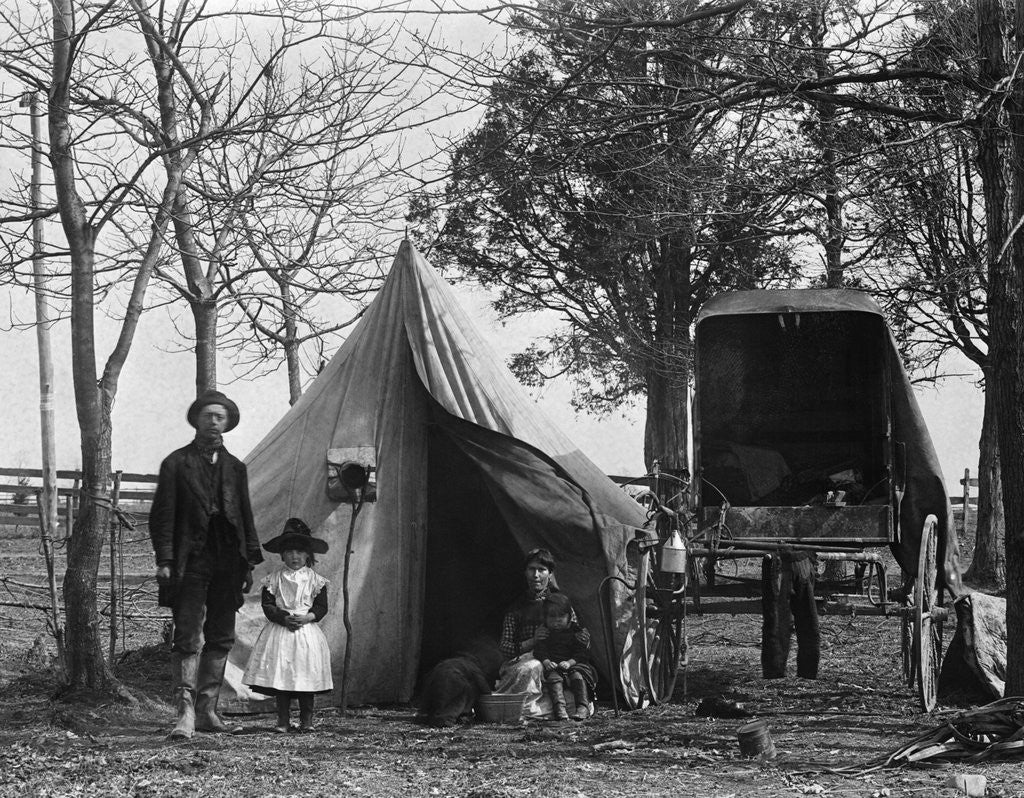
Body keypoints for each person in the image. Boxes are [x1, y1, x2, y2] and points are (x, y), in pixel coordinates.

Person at [149, 390, 264, 739]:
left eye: (220, 417)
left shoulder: (235, 468)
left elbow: (244, 517)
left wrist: (248, 563)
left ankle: (206, 710)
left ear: (227, 423)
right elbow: (163, 516)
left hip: (228, 561)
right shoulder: (175, 463)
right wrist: (166, 560)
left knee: (221, 636)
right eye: (208, 415)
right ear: (196, 420)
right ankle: (183, 713)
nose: (213, 421)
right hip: (190, 560)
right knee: (187, 636)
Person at [243, 518, 333, 733]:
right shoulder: (273, 580)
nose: (295, 556)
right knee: (281, 675)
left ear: (308, 556)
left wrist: (307, 617)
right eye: (290, 552)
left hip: (306, 633)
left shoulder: (315, 580)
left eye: (300, 552)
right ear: (282, 555)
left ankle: (306, 721)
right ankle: (282, 720)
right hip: (281, 633)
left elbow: (321, 607)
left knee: (306, 675)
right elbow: (268, 605)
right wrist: (284, 618)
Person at [493, 548, 591, 719]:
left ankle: (552, 709)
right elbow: (505, 648)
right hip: (526, 663)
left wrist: (583, 639)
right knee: (533, 667)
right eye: (531, 569)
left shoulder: (561, 604)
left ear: (550, 573)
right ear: (525, 572)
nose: (536, 575)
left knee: (571, 693)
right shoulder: (516, 608)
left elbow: (576, 637)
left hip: (559, 663)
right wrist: (532, 641)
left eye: (542, 570)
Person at [533, 593, 597, 721]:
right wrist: (546, 662)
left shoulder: (575, 631)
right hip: (555, 666)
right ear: (545, 618)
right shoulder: (544, 632)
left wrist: (570, 662)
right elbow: (540, 650)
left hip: (574, 664)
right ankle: (560, 710)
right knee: (553, 679)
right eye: (552, 617)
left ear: (569, 617)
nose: (557, 621)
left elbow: (582, 653)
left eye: (561, 616)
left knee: (577, 676)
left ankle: (582, 707)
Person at [761, 549, 820, 679]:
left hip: (785, 562)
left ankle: (777, 676)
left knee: (779, 624)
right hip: (794, 561)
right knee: (805, 623)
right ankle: (805, 675)